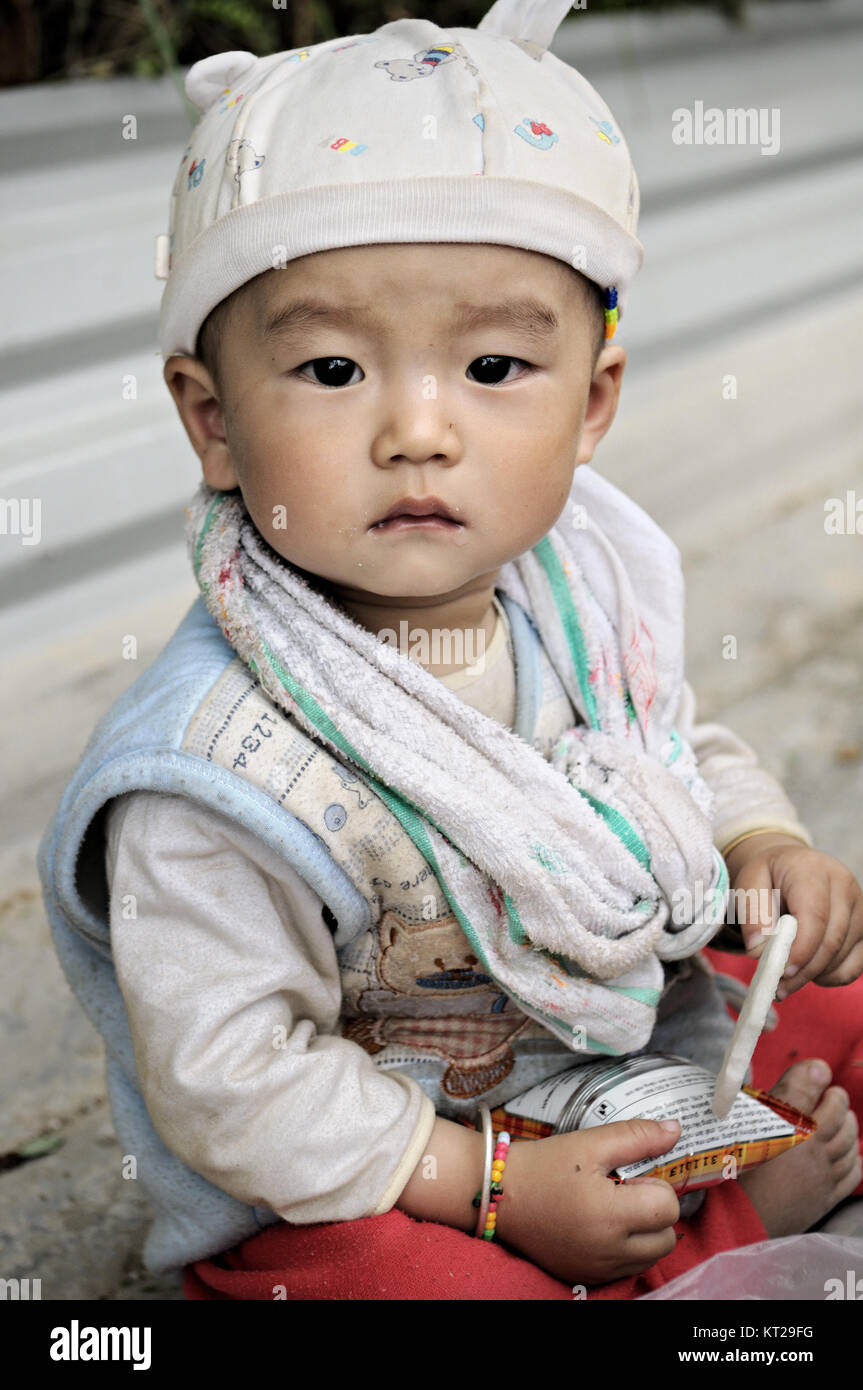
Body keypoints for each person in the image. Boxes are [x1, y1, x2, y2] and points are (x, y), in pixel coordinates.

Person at [38, 0, 862, 1300]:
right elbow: (232, 1079)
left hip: (589, 1038)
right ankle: (707, 1237)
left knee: (844, 1015)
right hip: (383, 1151)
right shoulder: (210, 770)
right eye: (329, 369)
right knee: (416, 1284)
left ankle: (679, 1217)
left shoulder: (581, 592)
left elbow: (665, 740)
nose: (417, 429)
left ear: (594, 402)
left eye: (491, 364)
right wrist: (493, 1185)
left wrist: (759, 846)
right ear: (211, 421)